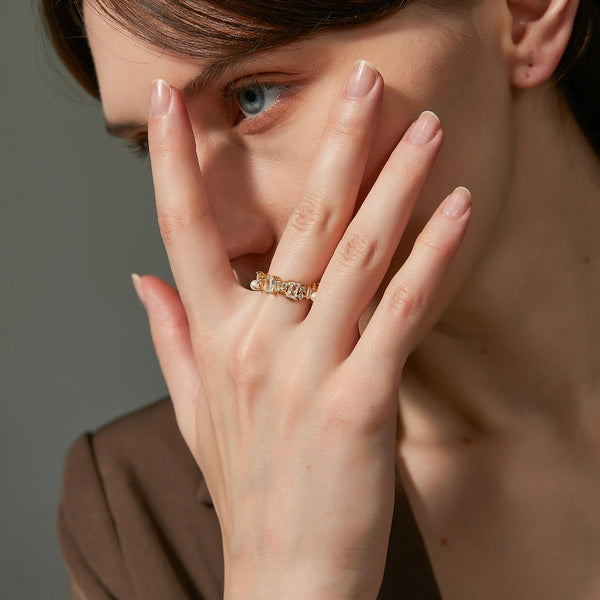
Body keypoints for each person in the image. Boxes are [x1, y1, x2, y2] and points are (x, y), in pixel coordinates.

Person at [42, 0, 600, 597]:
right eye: (154, 145)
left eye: (254, 95)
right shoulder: (139, 522)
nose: (223, 241)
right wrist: (285, 580)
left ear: (525, 14)